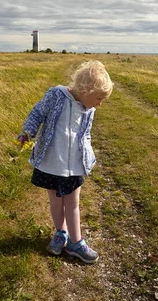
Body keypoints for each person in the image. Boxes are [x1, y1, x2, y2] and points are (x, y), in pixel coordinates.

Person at [18, 60, 113, 264]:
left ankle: (76, 242)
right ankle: (60, 233)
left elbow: (85, 135)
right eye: (98, 98)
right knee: (55, 201)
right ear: (86, 90)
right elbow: (37, 112)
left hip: (74, 165)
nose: (99, 104)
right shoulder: (56, 95)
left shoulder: (89, 110)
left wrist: (88, 157)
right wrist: (28, 132)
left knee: (72, 203)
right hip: (52, 161)